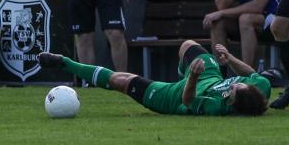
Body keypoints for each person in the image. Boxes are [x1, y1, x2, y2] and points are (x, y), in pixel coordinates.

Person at [38, 41, 269, 116]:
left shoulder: (215, 106)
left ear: (231, 103)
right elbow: (249, 73)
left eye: (233, 92)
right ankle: (185, 71)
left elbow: (188, 101)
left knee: (122, 81)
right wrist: (229, 59)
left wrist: (192, 77)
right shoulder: (260, 86)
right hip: (208, 75)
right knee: (188, 46)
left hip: (176, 95)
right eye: (237, 85)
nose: (233, 86)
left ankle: (64, 62)